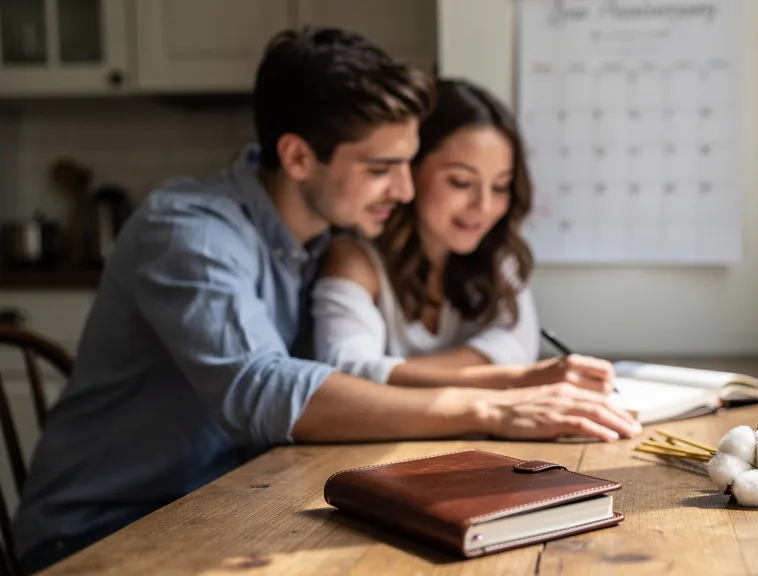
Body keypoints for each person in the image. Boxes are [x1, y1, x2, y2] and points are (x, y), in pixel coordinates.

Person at [12, 28, 640, 575]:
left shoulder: (322, 242)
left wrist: (520, 380)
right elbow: (261, 386)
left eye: (409, 164)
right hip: (100, 533)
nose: (403, 188)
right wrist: (493, 404)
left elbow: (352, 370)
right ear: (298, 157)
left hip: (224, 506)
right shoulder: (189, 230)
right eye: (381, 168)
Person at [311, 79, 614, 392]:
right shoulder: (354, 258)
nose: (483, 207)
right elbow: (345, 372)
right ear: (410, 170)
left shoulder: (498, 255)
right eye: (460, 182)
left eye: (499, 187)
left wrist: (390, 373)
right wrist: (512, 377)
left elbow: (515, 347)